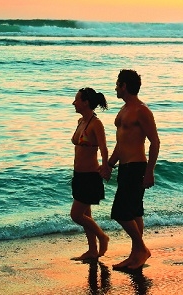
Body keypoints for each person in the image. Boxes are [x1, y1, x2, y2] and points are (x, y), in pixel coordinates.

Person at [106, 69, 160, 271]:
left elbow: (155, 142)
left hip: (137, 167)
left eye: (117, 84)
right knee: (135, 212)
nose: (115, 87)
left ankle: (142, 249)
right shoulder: (123, 111)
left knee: (120, 212)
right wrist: (110, 165)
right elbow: (121, 144)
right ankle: (135, 255)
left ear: (124, 86)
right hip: (125, 166)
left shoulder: (141, 110)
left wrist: (150, 171)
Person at [70, 87, 110, 260]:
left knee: (76, 215)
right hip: (78, 175)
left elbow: (103, 147)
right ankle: (92, 250)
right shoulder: (80, 121)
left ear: (85, 102)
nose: (74, 103)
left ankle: (103, 237)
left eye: (77, 100)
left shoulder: (96, 123)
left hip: (90, 176)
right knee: (86, 215)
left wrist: (106, 166)